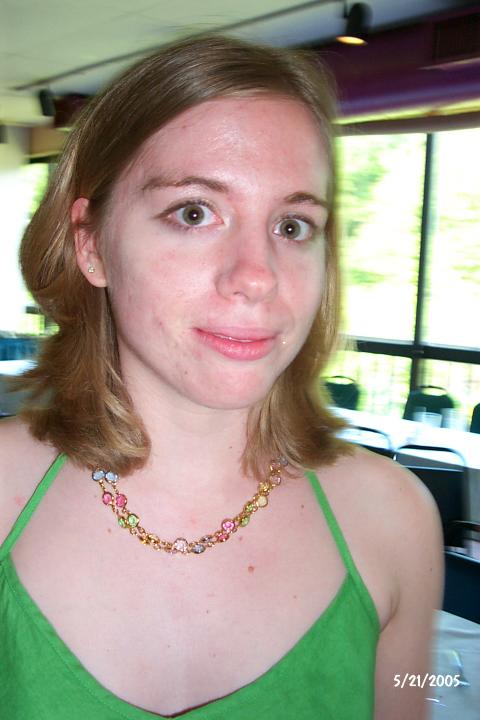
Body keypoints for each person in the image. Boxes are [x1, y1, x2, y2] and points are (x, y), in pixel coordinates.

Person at [0, 34, 443, 719]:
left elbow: (416, 695)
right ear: (92, 246)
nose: (258, 276)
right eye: (194, 213)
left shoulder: (396, 520)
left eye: (293, 226)